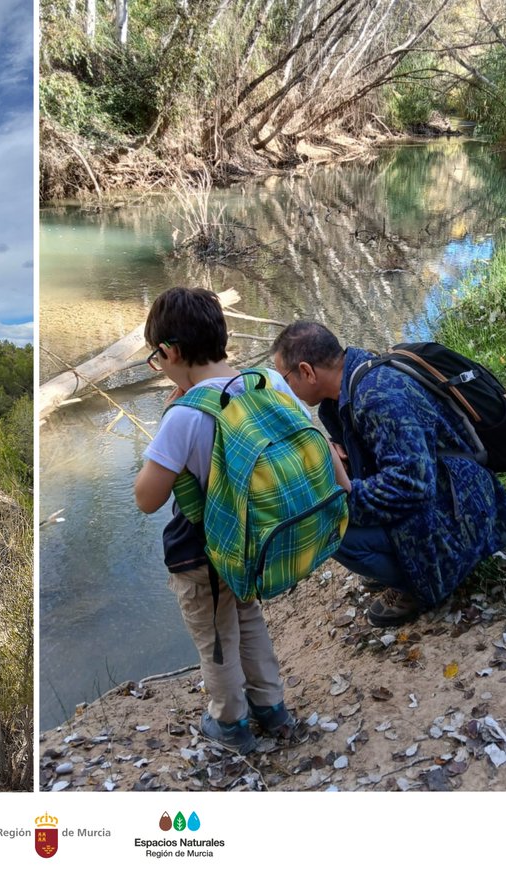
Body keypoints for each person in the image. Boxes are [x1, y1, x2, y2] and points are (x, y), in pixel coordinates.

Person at [133, 287, 306, 754]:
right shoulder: (268, 381)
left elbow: (147, 498)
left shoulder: (185, 415)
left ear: (170, 352)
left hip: (200, 550)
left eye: (157, 359)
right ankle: (272, 709)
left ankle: (230, 722)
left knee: (215, 638)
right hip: (254, 538)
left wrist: (173, 414)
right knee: (248, 618)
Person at [271, 321, 506, 627]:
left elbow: (413, 485)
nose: (287, 390)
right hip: (452, 492)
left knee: (327, 522)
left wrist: (343, 495)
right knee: (335, 507)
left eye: (285, 381)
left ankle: (419, 585)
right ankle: (398, 561)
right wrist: (340, 458)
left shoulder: (377, 397)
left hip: (463, 512)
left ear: (307, 371)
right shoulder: (354, 380)